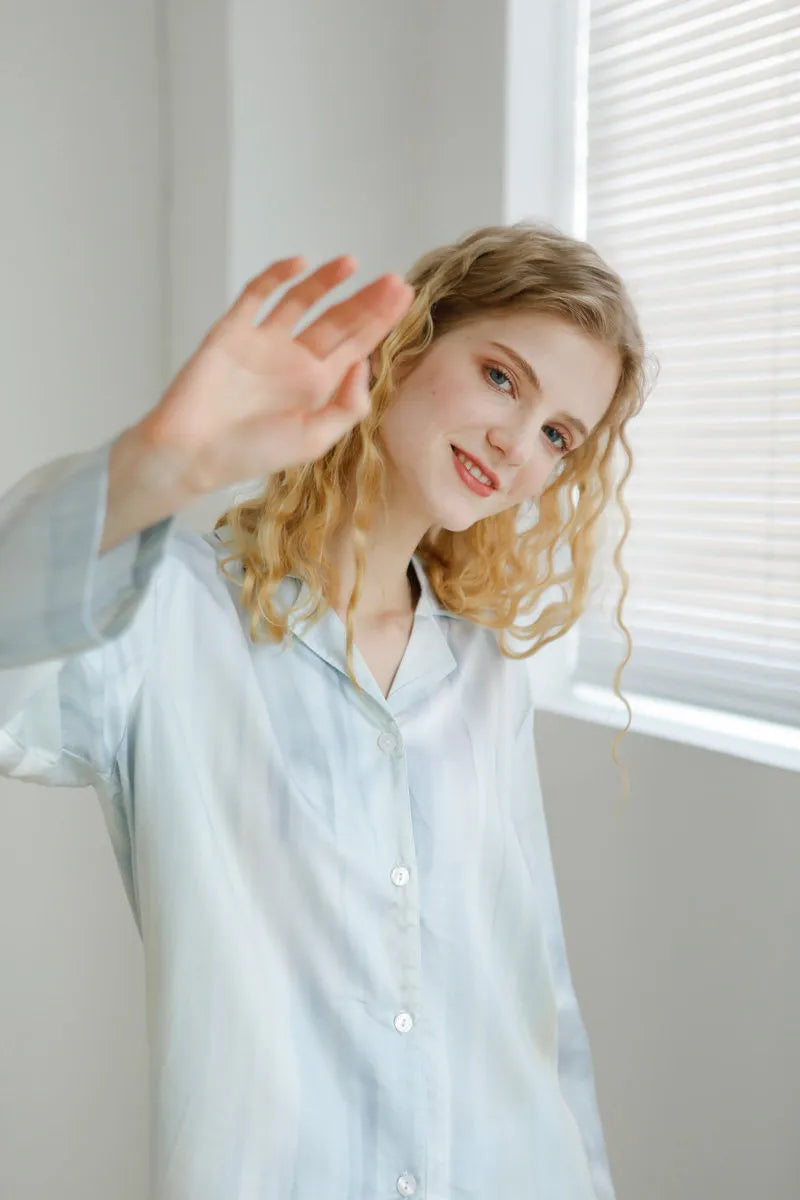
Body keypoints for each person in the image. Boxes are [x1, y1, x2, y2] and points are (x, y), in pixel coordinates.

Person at [0, 222, 646, 1200]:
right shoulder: (169, 614)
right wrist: (160, 461)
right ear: (410, 341)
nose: (516, 443)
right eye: (501, 378)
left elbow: (531, 999)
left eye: (559, 434)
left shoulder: (479, 677)